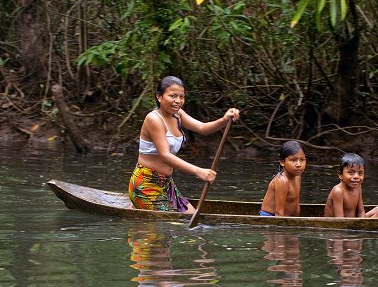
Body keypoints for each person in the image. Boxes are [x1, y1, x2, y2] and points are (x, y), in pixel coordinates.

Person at [128, 76, 240, 213]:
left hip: (166, 184)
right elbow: (165, 155)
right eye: (173, 96)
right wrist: (198, 171)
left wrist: (224, 119)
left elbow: (203, 128)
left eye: (182, 97)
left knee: (190, 219)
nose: (178, 101)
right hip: (146, 184)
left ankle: (138, 206)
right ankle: (138, 202)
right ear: (159, 96)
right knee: (177, 226)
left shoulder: (178, 115)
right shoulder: (154, 119)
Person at [324, 153, 378, 218]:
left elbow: (361, 211)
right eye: (351, 172)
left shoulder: (358, 187)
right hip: (339, 224)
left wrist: (362, 224)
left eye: (360, 173)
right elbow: (339, 220)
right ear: (340, 175)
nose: (356, 176)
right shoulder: (338, 191)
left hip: (354, 223)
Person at [259, 141, 306, 216]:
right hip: (270, 218)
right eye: (293, 160)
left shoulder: (297, 177)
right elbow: (279, 213)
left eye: (302, 160)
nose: (299, 164)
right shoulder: (282, 181)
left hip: (286, 218)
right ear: (282, 162)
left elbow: (296, 205)